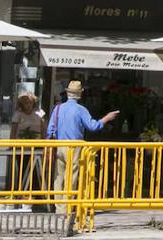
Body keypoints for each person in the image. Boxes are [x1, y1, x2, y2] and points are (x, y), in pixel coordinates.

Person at [46, 80, 119, 208]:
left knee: (59, 177)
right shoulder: (81, 110)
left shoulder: (57, 108)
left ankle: (59, 208)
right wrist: (106, 118)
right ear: (80, 94)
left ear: (68, 93)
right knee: (72, 177)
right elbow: (93, 126)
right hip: (75, 146)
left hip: (59, 145)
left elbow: (50, 129)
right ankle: (68, 206)